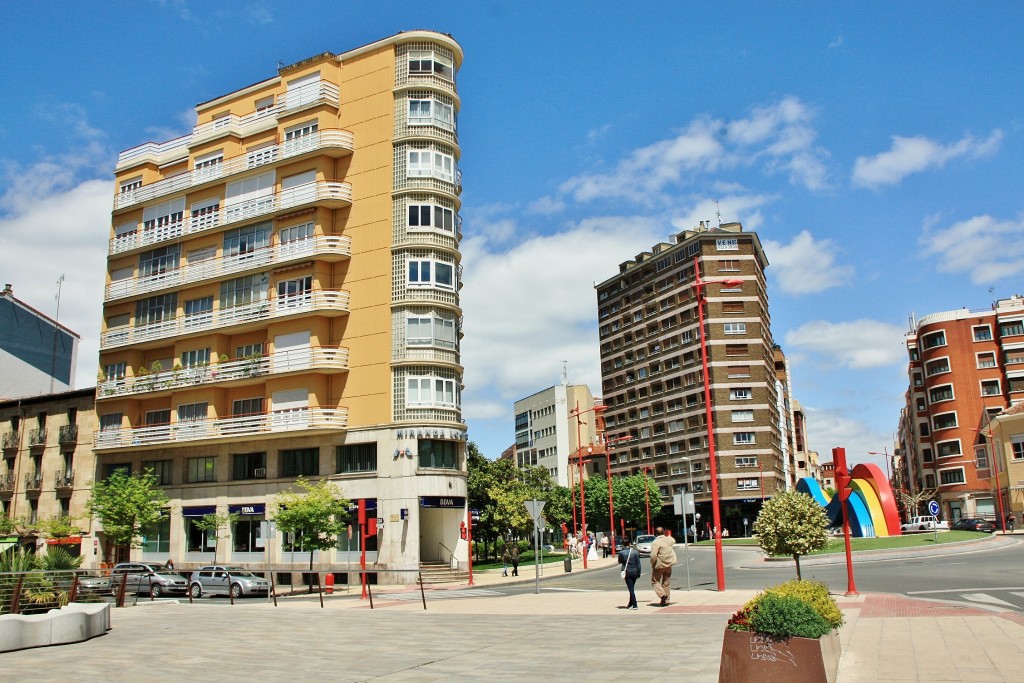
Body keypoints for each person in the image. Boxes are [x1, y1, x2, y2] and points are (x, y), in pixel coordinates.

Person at [649, 526, 677, 606]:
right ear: (664, 532)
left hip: (660, 564)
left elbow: (653, 555)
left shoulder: (656, 542)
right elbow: (673, 540)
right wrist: (668, 535)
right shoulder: (669, 539)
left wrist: (652, 562)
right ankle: (666, 600)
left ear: (655, 533)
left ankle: (662, 595)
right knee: (666, 583)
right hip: (669, 564)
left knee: (655, 581)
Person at [618, 539, 641, 609]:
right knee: (632, 587)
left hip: (627, 571)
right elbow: (638, 564)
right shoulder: (635, 552)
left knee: (631, 589)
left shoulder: (621, 553)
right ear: (630, 543)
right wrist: (639, 572)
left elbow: (620, 561)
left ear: (623, 544)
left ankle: (635, 604)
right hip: (635, 571)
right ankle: (630, 604)